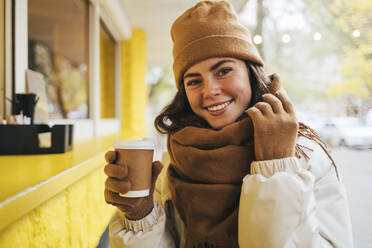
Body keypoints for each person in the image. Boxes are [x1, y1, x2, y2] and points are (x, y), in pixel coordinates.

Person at [104, 1, 354, 247]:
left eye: (223, 71)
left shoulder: (305, 154)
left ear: (251, 73)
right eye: (193, 81)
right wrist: (140, 216)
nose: (210, 90)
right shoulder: (176, 160)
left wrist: (276, 168)